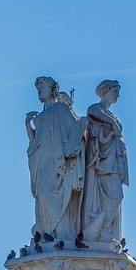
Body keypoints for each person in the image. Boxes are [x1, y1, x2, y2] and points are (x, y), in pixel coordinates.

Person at [25, 76, 87, 244]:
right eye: (37, 89)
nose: (39, 91)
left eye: (42, 88)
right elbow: (34, 143)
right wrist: (28, 125)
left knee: (55, 192)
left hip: (56, 159)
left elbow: (75, 128)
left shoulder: (60, 109)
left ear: (52, 89)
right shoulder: (41, 115)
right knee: (43, 194)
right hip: (41, 159)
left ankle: (61, 233)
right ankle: (46, 232)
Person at [82, 79, 127, 246]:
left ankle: (105, 231)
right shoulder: (97, 108)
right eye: (115, 91)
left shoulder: (111, 115)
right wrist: (113, 123)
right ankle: (103, 231)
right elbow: (92, 112)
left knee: (117, 196)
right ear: (105, 91)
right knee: (113, 196)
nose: (118, 94)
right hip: (101, 161)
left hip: (114, 159)